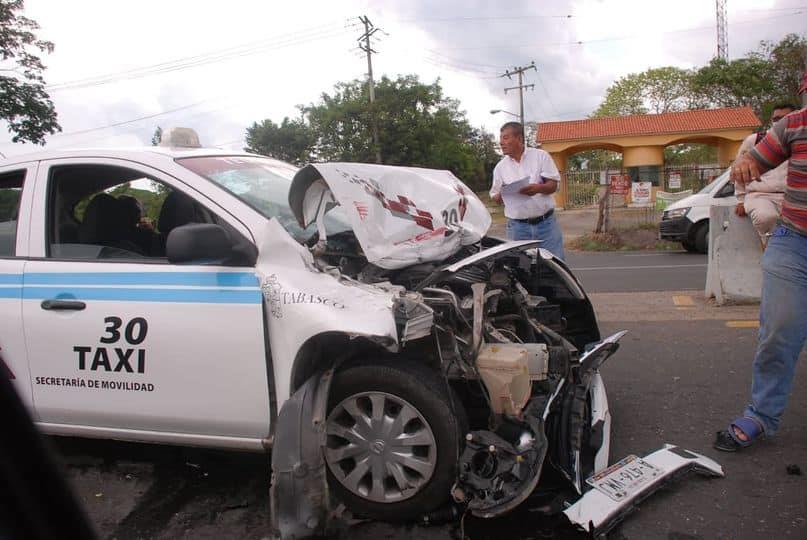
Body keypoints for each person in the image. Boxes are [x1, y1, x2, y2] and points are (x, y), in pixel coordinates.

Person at [714, 75, 807, 452]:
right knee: (778, 331)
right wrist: (743, 165)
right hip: (793, 240)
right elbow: (754, 159)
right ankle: (761, 415)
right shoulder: (793, 126)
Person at [490, 122, 565, 259]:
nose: (501, 143)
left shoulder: (540, 156)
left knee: (555, 270)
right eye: (500, 138)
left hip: (546, 226)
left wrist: (538, 188)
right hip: (518, 229)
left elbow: (553, 185)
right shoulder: (500, 168)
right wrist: (502, 195)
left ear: (519, 139)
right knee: (520, 272)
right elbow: (494, 196)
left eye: (505, 138)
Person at [734, 103, 797, 246]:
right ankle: (769, 248)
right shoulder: (755, 140)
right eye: (775, 119)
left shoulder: (800, 141)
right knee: (765, 217)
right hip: (760, 194)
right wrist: (740, 199)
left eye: (784, 118)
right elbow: (739, 170)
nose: (779, 122)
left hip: (793, 196)